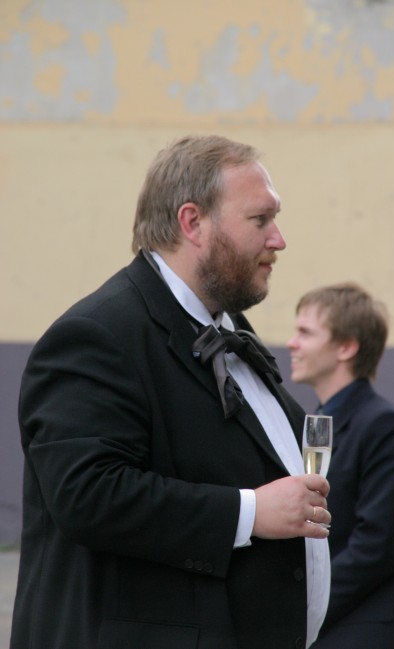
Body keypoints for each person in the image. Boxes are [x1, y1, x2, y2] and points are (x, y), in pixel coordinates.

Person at [10, 135, 332, 649]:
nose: (279, 240)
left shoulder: (228, 328)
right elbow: (86, 495)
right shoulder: (98, 334)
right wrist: (250, 512)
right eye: (260, 220)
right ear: (192, 222)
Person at [287, 282, 394, 649]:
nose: (291, 343)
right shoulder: (319, 424)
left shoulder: (385, 428)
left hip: (360, 632)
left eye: (305, 333)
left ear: (346, 347)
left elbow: (375, 549)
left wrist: (301, 606)